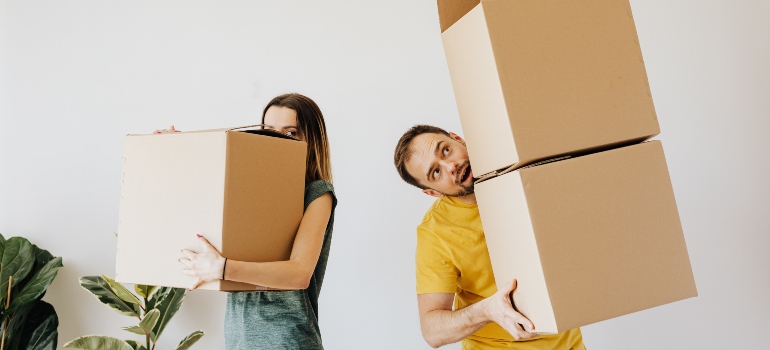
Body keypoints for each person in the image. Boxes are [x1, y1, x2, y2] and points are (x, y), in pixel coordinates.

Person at [163, 93, 337, 350]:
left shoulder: (317, 193)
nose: (277, 140)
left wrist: (222, 268)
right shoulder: (249, 191)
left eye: (290, 133)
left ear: (312, 140)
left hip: (286, 340)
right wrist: (175, 150)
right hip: (239, 336)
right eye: (269, 131)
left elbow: (299, 274)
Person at [393, 125, 585, 350]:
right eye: (436, 172)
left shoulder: (520, 173)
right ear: (432, 192)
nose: (451, 166)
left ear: (457, 139)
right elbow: (432, 332)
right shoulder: (435, 233)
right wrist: (487, 311)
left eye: (445, 150)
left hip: (570, 342)